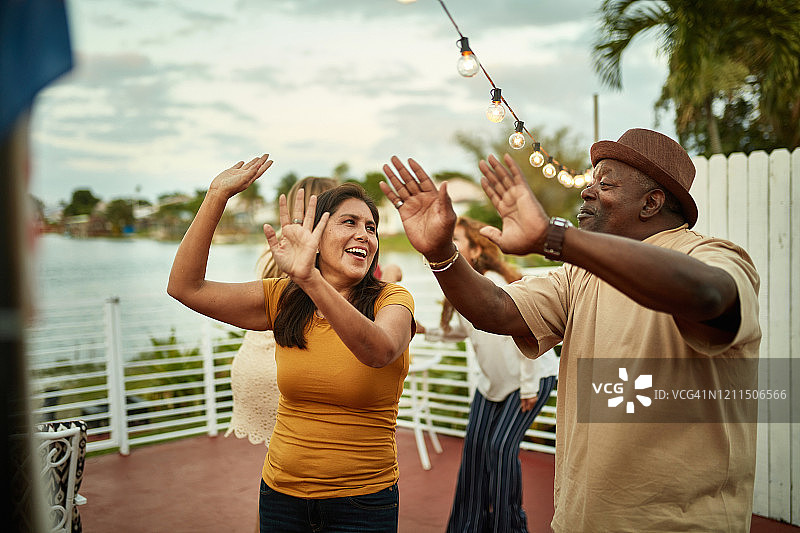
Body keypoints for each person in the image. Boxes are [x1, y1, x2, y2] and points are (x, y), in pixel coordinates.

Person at [380, 128, 760, 532]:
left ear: (651, 203)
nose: (587, 191)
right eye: (591, 179)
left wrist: (555, 237)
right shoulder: (580, 274)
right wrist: (441, 254)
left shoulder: (712, 255)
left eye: (606, 183)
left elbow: (706, 293)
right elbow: (495, 309)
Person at [168, 154, 415, 533]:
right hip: (281, 496)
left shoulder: (392, 299)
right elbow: (185, 287)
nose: (365, 234)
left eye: (371, 227)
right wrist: (216, 195)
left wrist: (311, 279)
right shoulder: (284, 298)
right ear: (315, 234)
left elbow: (378, 350)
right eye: (350, 222)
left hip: (363, 502)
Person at [424, 216, 558, 533]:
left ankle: (507, 527)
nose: (449, 245)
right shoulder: (462, 284)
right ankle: (469, 526)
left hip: (531, 377)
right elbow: (461, 330)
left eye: (456, 240)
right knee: (474, 451)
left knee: (499, 449)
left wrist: (528, 387)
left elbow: (525, 333)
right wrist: (424, 330)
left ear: (474, 248)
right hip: (492, 384)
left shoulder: (497, 280)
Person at [226, 176, 338, 448]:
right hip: (288, 371)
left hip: (252, 363)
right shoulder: (324, 255)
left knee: (285, 460)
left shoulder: (273, 249)